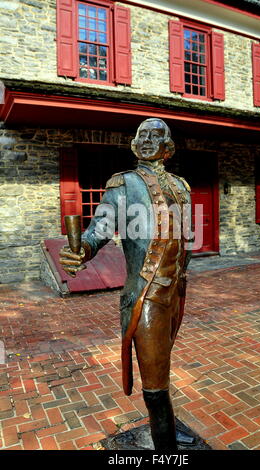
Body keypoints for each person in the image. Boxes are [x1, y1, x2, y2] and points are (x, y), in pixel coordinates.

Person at [59, 118, 193, 451]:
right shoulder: (124, 184)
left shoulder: (182, 186)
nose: (147, 140)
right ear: (134, 144)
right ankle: (166, 450)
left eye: (155, 135)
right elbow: (99, 229)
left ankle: (167, 429)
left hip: (176, 292)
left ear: (168, 147)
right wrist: (82, 249)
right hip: (146, 295)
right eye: (141, 135)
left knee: (163, 363)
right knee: (155, 380)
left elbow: (187, 239)